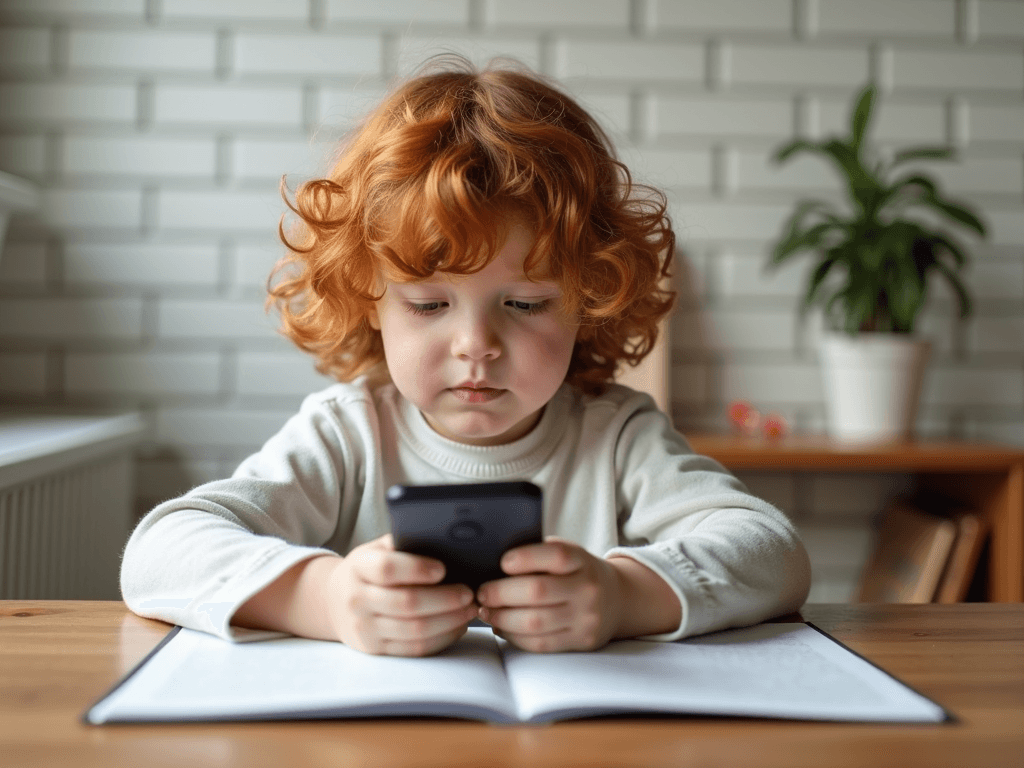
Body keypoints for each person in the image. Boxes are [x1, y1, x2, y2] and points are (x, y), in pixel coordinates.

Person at [121, 57, 810, 657]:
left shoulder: (619, 435)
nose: (476, 344)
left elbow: (773, 552)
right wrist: (326, 600)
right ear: (370, 301)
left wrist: (625, 596)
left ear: (588, 301)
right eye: (429, 305)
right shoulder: (348, 433)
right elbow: (159, 553)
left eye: (526, 304)